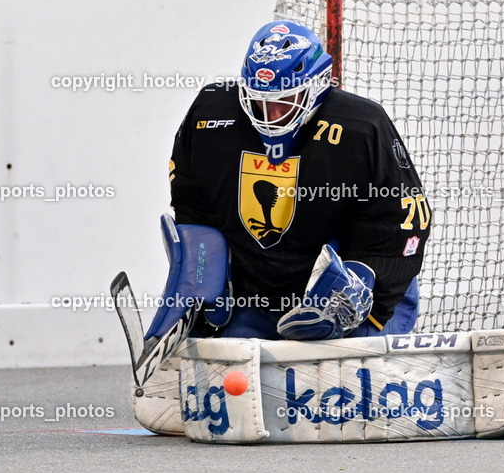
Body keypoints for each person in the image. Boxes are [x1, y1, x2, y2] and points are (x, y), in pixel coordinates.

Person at [166, 19, 430, 340]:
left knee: (341, 383)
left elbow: (404, 220)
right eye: (260, 101)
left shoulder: (362, 126)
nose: (270, 115)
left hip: (363, 294)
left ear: (318, 85)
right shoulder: (210, 113)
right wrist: (203, 275)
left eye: (284, 101)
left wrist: (363, 287)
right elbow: (193, 202)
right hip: (258, 298)